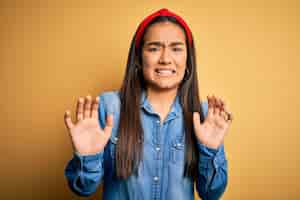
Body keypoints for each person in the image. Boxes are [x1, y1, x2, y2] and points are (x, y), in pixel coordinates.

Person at [64, 8, 233, 200]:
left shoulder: (203, 116)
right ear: (138, 58)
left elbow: (211, 194)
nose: (165, 59)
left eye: (176, 48)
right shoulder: (109, 107)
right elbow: (83, 188)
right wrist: (88, 158)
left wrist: (210, 151)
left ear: (188, 61)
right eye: (154, 48)